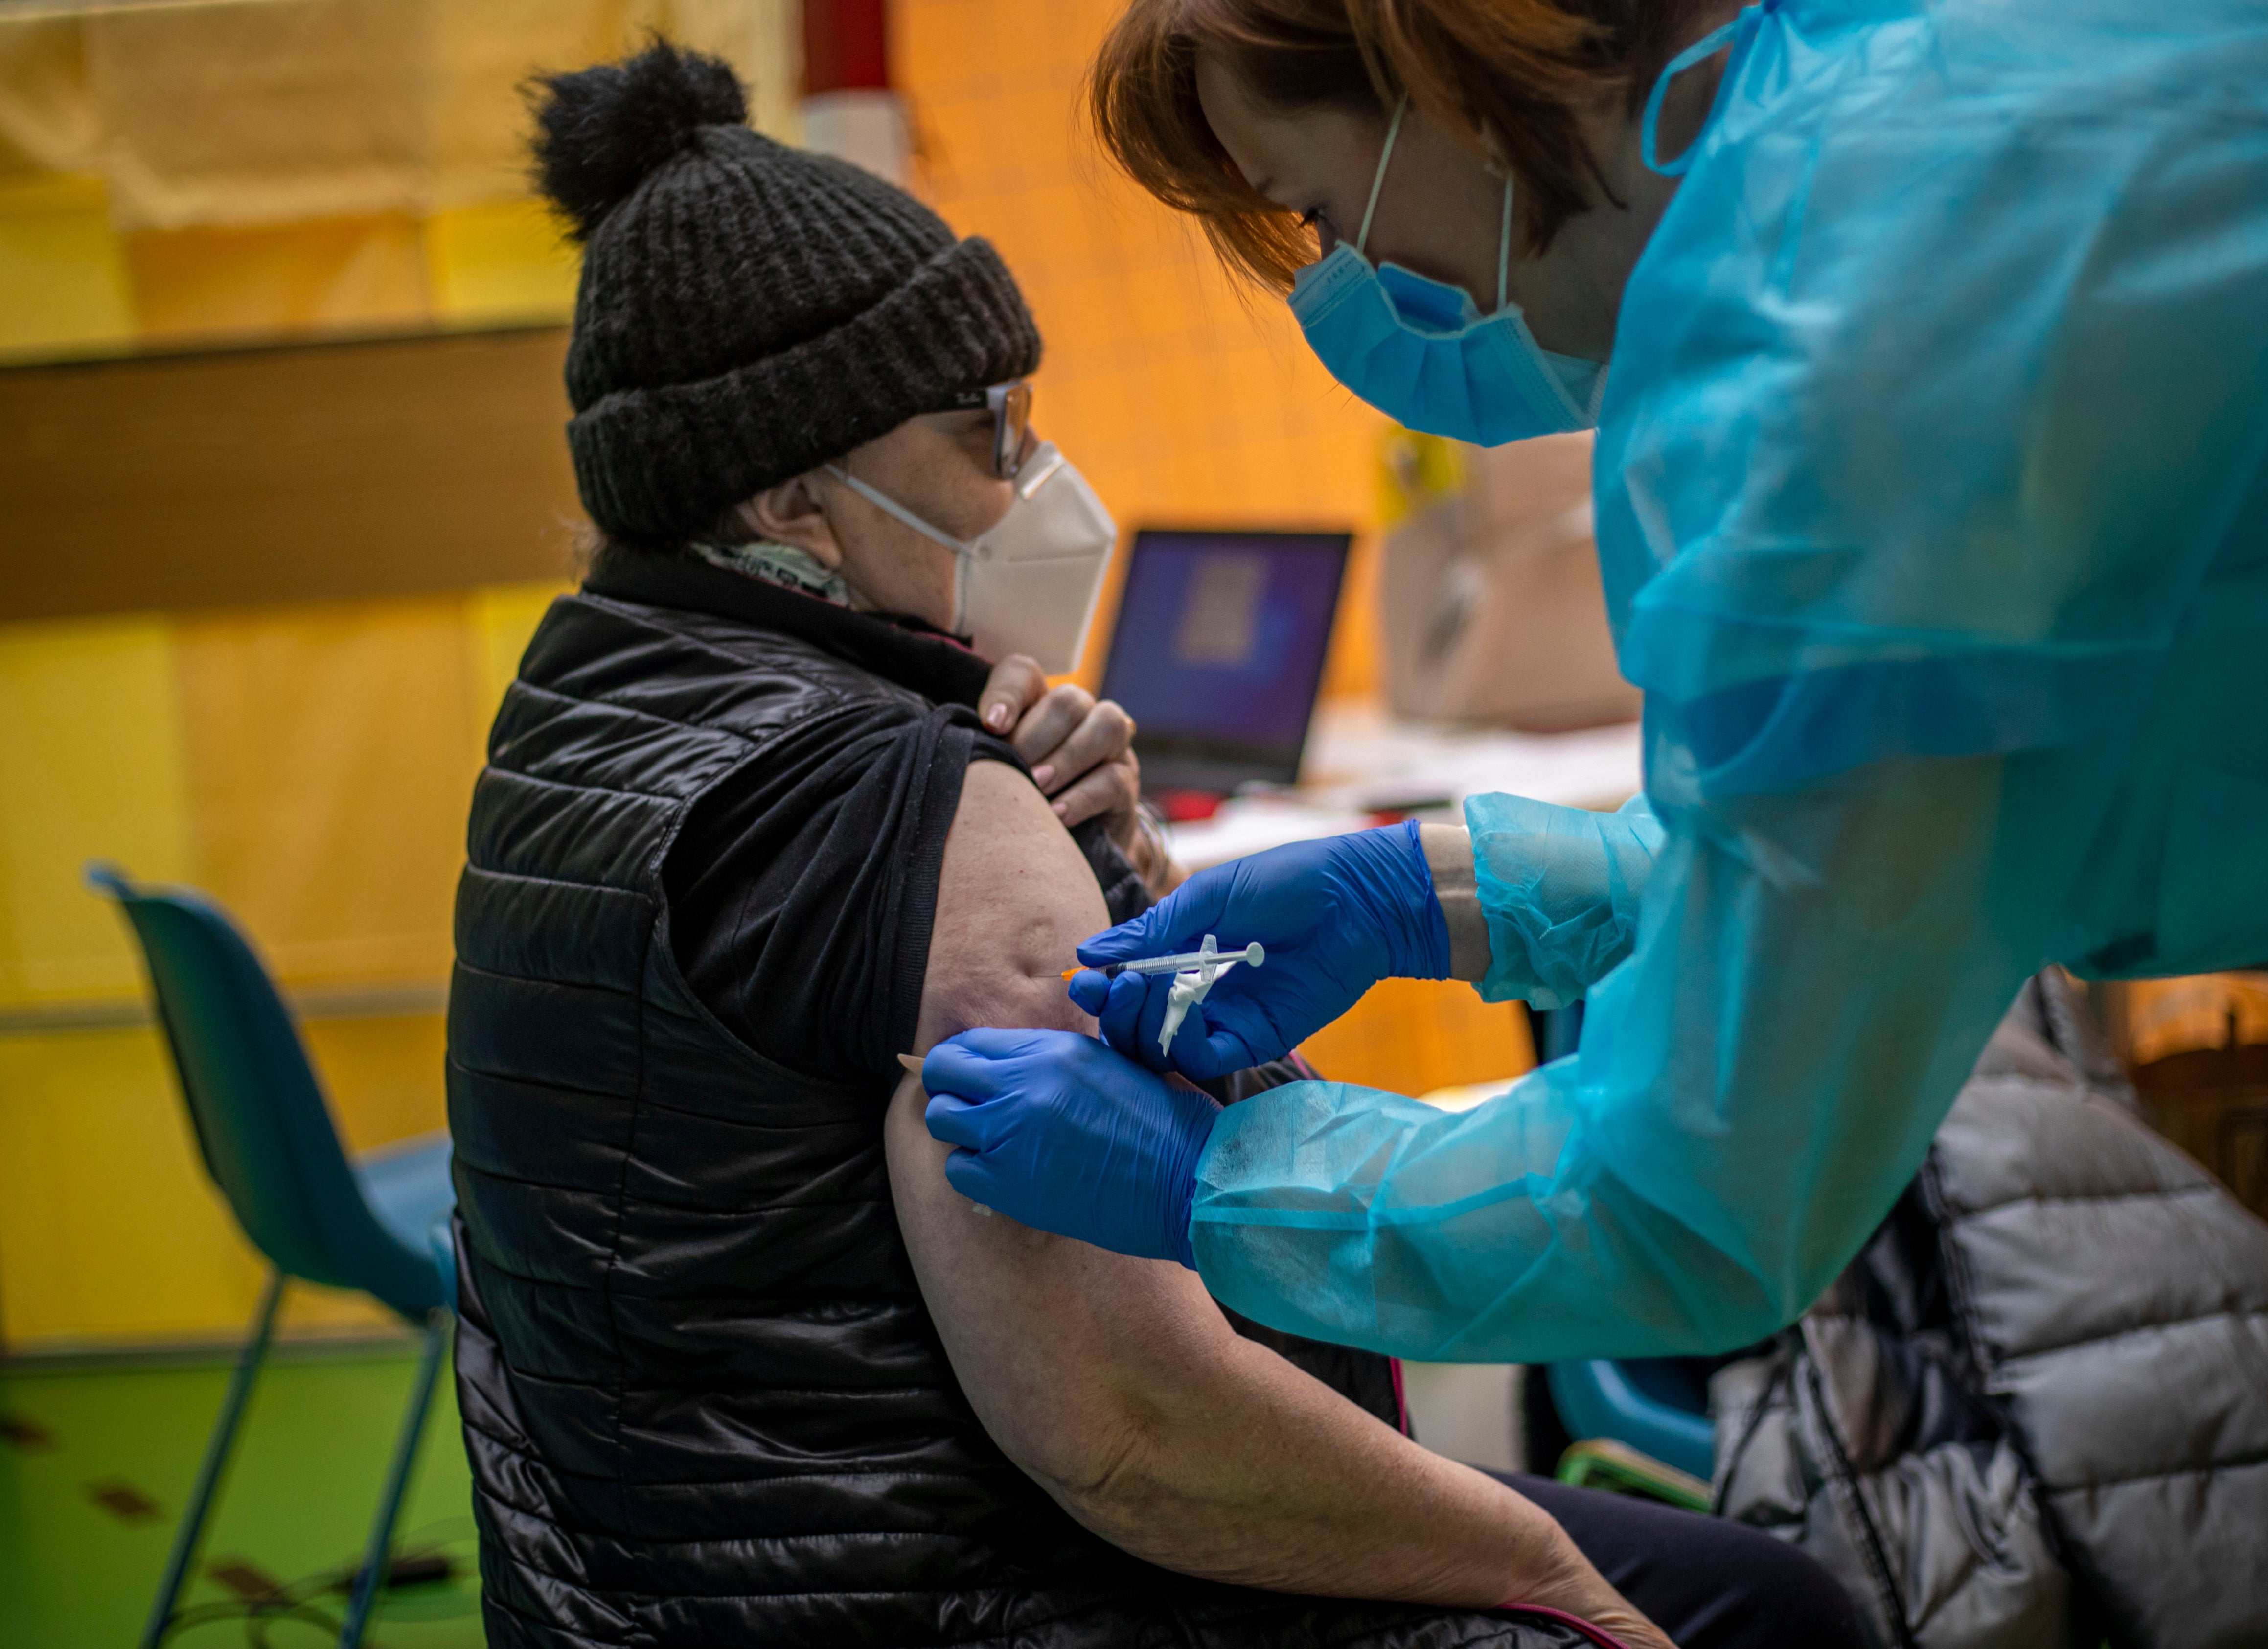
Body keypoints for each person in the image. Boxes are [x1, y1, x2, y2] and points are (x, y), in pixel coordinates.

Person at [447, 41, 1859, 1649]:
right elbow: (1128, 1422)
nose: (1040, 474)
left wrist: (1157, 879)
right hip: (966, 1586)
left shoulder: (591, 700)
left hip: (650, 1586)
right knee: (1759, 1607)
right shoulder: (897, 793)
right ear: (791, 500)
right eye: (989, 430)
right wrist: (1546, 1577)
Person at [920, 0, 2268, 1367]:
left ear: (1441, 71)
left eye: (1320, 214)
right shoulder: (1923, 84)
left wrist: (1217, 1178)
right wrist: (1449, 893)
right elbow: (1902, 839)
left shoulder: (1835, 341)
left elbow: (1695, 1197)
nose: (1361, 287)